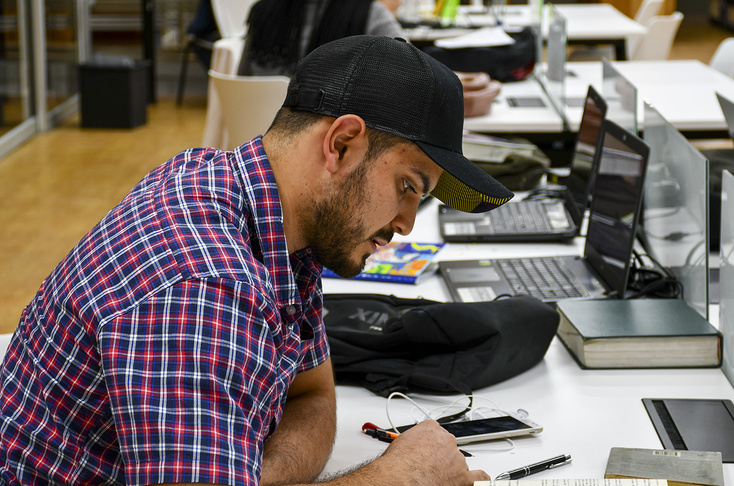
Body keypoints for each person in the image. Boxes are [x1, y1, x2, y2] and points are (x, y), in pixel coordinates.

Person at [0, 36, 513, 485]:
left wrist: (235, 473)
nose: (407, 223)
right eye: (407, 186)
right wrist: (396, 480)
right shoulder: (203, 285)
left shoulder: (270, 215)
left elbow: (313, 396)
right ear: (341, 143)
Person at [238, 0, 404, 76]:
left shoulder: (263, 11)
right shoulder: (368, 12)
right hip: (330, 136)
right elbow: (409, 70)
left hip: (258, 133)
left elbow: (241, 79)